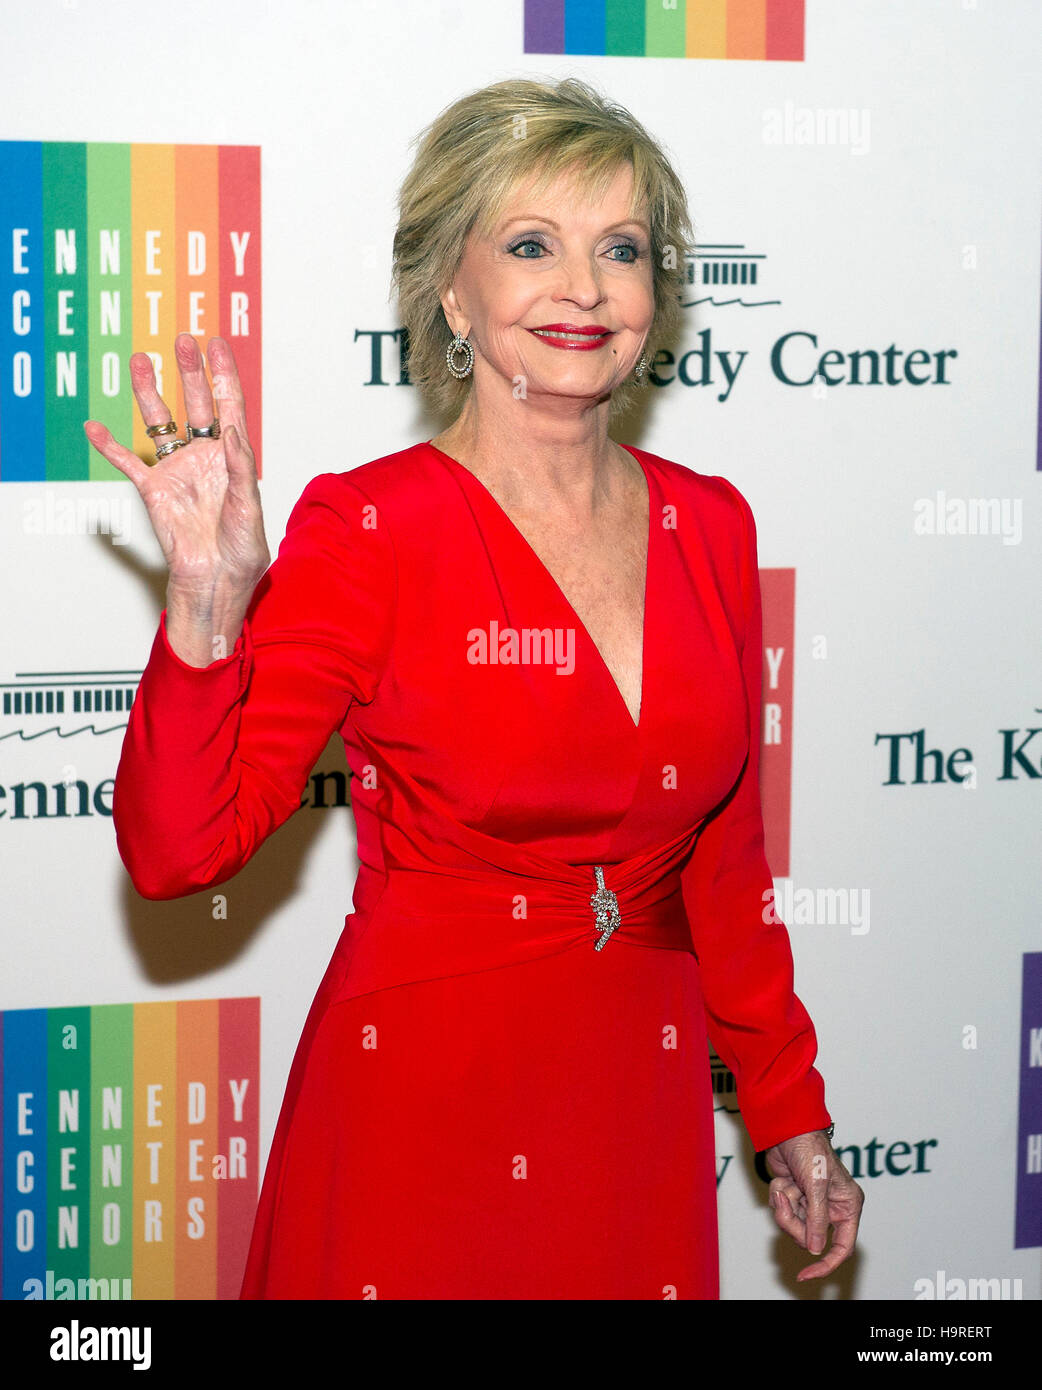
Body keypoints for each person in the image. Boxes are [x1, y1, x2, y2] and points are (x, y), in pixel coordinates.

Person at [84, 76, 863, 1300]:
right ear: (452, 289)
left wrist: (787, 1108)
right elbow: (181, 852)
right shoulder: (372, 527)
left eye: (621, 249)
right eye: (530, 246)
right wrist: (205, 607)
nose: (585, 288)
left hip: (636, 1102)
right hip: (423, 1102)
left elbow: (722, 864)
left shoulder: (711, 526)